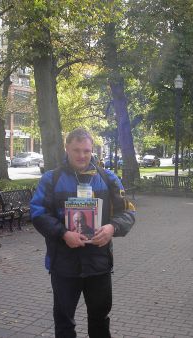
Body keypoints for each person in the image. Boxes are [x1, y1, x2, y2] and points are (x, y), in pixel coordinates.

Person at [30, 128, 135, 338]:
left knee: (100, 320)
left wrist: (112, 227)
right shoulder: (51, 179)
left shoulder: (108, 178)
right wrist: (63, 233)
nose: (82, 155)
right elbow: (38, 212)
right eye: (76, 150)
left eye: (86, 151)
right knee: (64, 320)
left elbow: (128, 212)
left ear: (92, 150)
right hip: (63, 264)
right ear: (67, 148)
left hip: (98, 264)